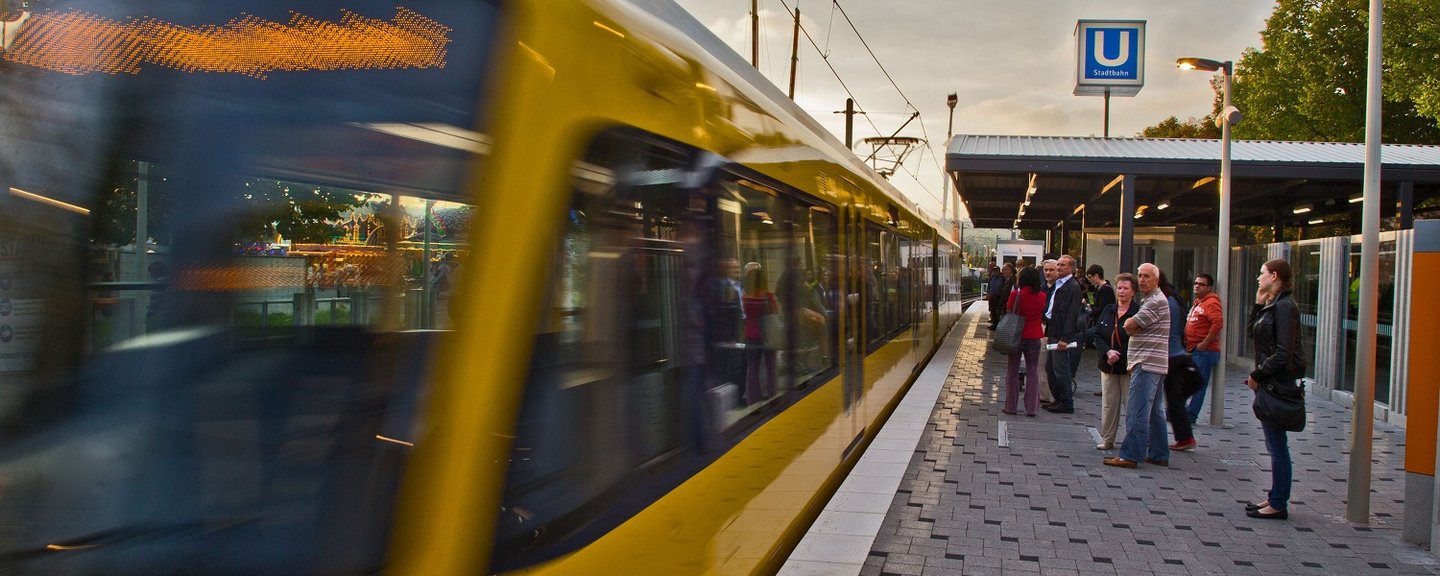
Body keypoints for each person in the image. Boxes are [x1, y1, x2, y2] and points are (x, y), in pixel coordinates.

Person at [1245, 258, 1305, 520]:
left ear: (1275, 276)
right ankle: (1274, 497)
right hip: (1269, 382)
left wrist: (1257, 374)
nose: (1259, 278)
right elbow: (1252, 334)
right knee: (1274, 444)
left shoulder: (1285, 307)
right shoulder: (1274, 304)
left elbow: (1283, 352)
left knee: (1277, 446)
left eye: (1262, 274)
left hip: (1276, 383)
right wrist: (1258, 302)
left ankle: (1278, 502)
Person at [1103, 263, 1170, 468]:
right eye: (1140, 276)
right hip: (1154, 362)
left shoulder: (1155, 302)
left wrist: (1131, 325)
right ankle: (1159, 453)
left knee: (1137, 410)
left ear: (1156, 280)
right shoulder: (1152, 300)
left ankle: (1130, 455)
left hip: (1146, 361)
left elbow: (1129, 326)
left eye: (1147, 276)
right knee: (1156, 411)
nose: (1142, 280)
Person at [1087, 273, 1138, 450]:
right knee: (1108, 404)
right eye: (1119, 288)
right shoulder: (1109, 309)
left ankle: (1133, 441)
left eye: (1126, 288)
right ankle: (1107, 439)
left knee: (1130, 405)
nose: (1121, 291)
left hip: (1128, 366)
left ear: (1133, 292)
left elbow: (1137, 339)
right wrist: (1107, 351)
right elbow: (1097, 333)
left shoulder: (1137, 313)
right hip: (1108, 365)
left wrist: (1119, 354)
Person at [1159, 272, 1199, 451]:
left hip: (1171, 356)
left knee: (1174, 399)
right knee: (1175, 399)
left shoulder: (1166, 302)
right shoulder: (1171, 299)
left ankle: (1184, 438)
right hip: (1175, 355)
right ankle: (1185, 437)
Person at [1042, 255, 1084, 413]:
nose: (1059, 268)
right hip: (1053, 330)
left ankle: (1066, 402)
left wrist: (1065, 338)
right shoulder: (1058, 284)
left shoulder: (1072, 287)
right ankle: (1058, 399)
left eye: (1062, 266)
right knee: (1050, 368)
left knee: (1060, 369)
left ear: (1071, 268)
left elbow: (1072, 314)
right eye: (1058, 265)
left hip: (1061, 334)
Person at [1003, 266, 1046, 416]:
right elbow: (1042, 312)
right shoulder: (1042, 296)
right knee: (1033, 371)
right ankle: (1032, 408)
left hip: (1016, 336)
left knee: (1012, 370)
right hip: (1034, 336)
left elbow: (1009, 310)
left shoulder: (1016, 294)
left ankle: (1011, 406)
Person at [1184, 273, 1224, 424]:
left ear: (1209, 287)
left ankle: (1191, 415)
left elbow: (1217, 323)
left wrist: (1205, 343)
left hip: (1204, 351)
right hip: (1194, 349)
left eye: (1201, 284)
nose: (1196, 286)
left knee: (1198, 384)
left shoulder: (1211, 302)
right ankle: (1183, 411)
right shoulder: (1198, 302)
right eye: (1195, 283)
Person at [741, 267, 778, 405]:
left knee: (752, 368)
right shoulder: (768, 296)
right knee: (770, 368)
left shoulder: (745, 297)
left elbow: (745, 312)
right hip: (768, 335)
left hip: (751, 334)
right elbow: (775, 311)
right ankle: (772, 398)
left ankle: (753, 401)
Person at [986, 263, 1014, 330]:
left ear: (1010, 270)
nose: (1002, 271)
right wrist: (988, 293)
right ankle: (995, 324)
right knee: (994, 311)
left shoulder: (1004, 278)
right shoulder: (992, 277)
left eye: (1004, 269)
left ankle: (998, 325)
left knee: (999, 313)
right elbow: (989, 286)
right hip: (993, 297)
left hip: (999, 298)